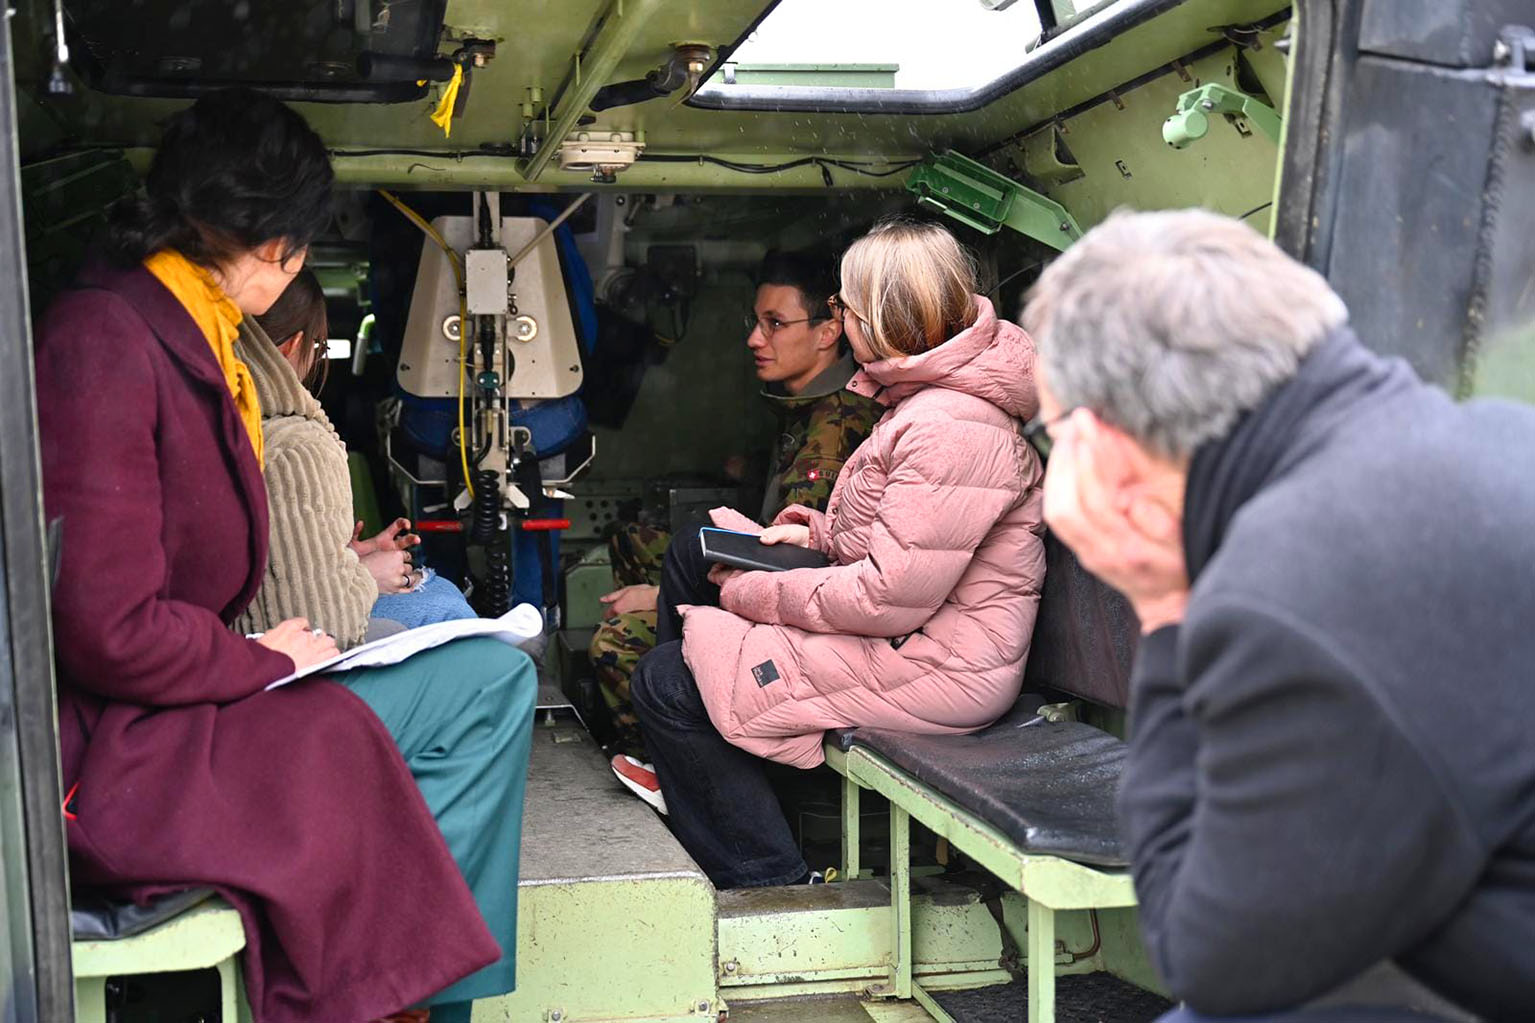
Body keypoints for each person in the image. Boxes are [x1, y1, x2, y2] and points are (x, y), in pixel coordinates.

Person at [36, 88, 534, 1023]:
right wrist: (263, 658)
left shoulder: (173, 330)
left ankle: (408, 986)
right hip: (118, 755)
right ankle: (410, 998)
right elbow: (105, 627)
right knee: (486, 685)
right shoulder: (106, 339)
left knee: (462, 677)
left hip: (166, 713)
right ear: (279, 248)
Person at [1020, 208, 1535, 1023]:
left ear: (1104, 450)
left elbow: (1211, 959)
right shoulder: (1500, 439)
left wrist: (1162, 601)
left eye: (1051, 433)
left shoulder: (1291, 597)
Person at [625, 219, 1046, 887]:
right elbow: (908, 538)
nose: (840, 318)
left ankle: (766, 876)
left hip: (937, 664)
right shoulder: (930, 405)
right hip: (915, 633)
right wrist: (814, 536)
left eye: (843, 307)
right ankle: (697, 769)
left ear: (876, 317)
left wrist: (751, 593)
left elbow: (885, 597)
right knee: (692, 549)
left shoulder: (948, 427)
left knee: (668, 679)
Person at [594, 248, 881, 774]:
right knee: (636, 539)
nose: (755, 338)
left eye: (775, 324)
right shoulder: (810, 407)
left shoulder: (835, 428)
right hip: (777, 588)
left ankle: (679, 769)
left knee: (616, 643)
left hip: (803, 619)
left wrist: (660, 597)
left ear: (828, 330)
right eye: (757, 321)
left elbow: (801, 572)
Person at [232, 268, 476, 648]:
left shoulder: (219, 419)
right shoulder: (296, 447)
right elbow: (322, 622)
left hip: (239, 638)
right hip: (286, 655)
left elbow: (273, 564)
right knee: (443, 605)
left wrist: (342, 559)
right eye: (319, 348)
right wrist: (365, 575)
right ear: (289, 348)